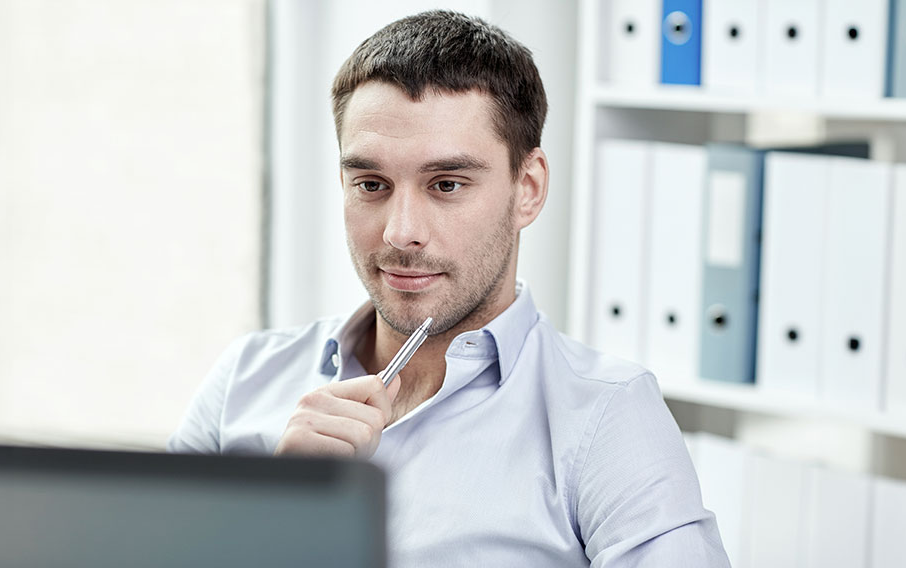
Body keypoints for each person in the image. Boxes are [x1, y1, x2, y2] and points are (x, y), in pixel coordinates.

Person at [169, 10, 728, 567]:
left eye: (447, 184)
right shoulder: (245, 381)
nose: (400, 231)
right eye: (371, 184)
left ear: (527, 189)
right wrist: (271, 517)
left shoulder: (607, 417)